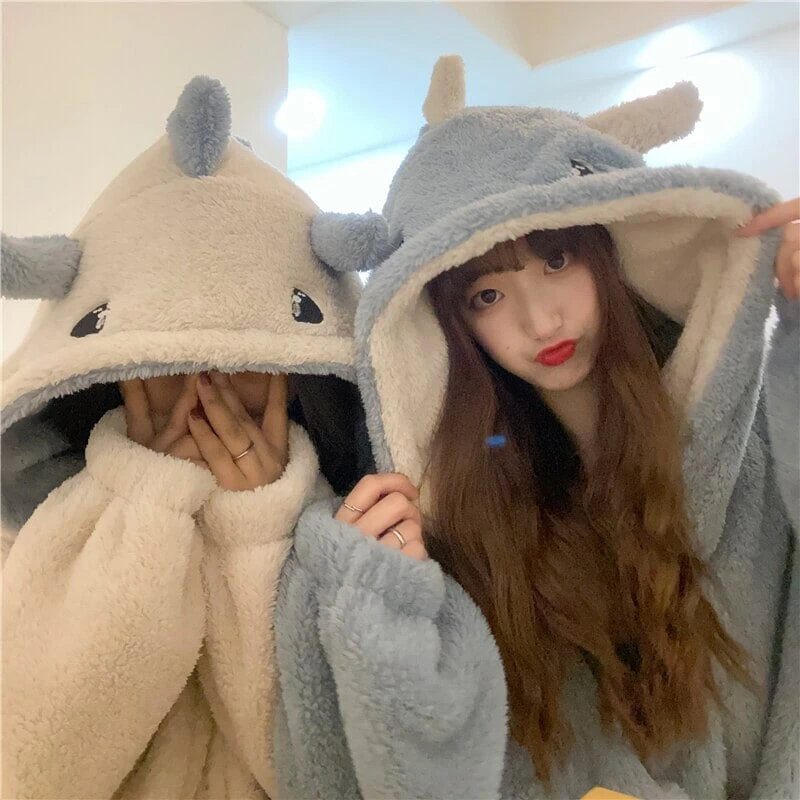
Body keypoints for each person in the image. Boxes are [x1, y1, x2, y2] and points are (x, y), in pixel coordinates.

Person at [272, 56, 799, 799]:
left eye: (556, 259)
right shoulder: (471, 513)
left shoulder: (748, 441)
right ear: (447, 327)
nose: (540, 320)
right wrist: (379, 596)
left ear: (608, 250)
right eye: (486, 294)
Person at [1, 76, 365, 800]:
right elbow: (37, 770)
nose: (206, 385)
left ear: (302, 374)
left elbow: (322, 776)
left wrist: (257, 532)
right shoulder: (24, 529)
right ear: (112, 370)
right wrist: (142, 503)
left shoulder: (361, 533)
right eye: (168, 358)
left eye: (241, 355)